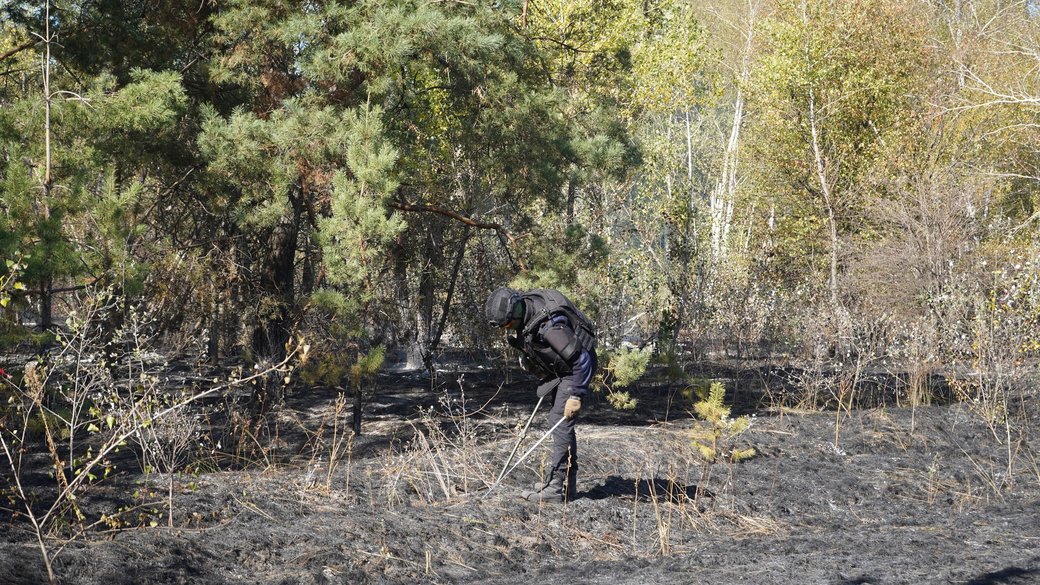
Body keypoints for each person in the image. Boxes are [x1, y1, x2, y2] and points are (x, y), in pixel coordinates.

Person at [485, 286, 598, 502]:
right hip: (564, 366)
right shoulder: (527, 304)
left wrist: (576, 395)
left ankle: (556, 489)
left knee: (560, 421)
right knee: (560, 421)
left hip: (574, 371)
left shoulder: (550, 328)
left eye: (508, 324)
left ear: (516, 312)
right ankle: (566, 485)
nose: (508, 329)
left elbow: (581, 361)